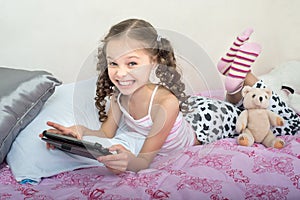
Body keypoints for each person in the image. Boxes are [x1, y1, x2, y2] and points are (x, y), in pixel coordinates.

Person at [44, 18, 300, 174]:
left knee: (279, 117)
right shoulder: (118, 99)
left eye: (132, 63)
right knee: (236, 103)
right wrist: (78, 131)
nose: (120, 73)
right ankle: (238, 80)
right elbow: (106, 134)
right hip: (195, 111)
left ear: (154, 61)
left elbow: (143, 161)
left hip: (207, 122)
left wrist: (127, 162)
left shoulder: (165, 103)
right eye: (113, 64)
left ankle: (245, 80)